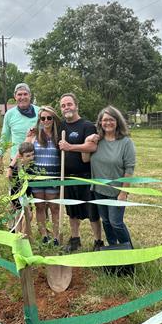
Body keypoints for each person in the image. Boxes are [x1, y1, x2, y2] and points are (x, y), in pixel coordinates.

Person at [58, 93, 102, 252]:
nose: (66, 108)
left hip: (86, 176)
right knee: (72, 212)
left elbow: (92, 147)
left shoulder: (87, 126)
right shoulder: (61, 126)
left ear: (76, 105)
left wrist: (70, 147)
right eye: (63, 106)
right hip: (68, 177)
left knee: (92, 212)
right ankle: (75, 239)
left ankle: (98, 242)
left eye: (69, 104)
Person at [88, 106, 136, 247]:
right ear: (100, 123)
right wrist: (88, 140)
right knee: (106, 222)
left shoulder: (126, 142)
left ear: (117, 121)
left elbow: (129, 168)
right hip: (99, 190)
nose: (108, 123)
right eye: (105, 120)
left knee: (116, 222)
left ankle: (128, 250)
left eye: (111, 119)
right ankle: (113, 249)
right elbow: (85, 158)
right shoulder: (97, 141)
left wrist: (124, 192)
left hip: (117, 191)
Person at [25, 106, 61, 244]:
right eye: (43, 118)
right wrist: (28, 137)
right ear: (39, 120)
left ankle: (57, 236)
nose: (46, 121)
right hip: (37, 178)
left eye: (49, 118)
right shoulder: (35, 136)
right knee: (40, 207)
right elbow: (24, 152)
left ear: (53, 119)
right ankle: (44, 235)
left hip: (53, 177)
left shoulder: (59, 136)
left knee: (54, 207)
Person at [0, 83, 39, 175]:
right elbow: (5, 137)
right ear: (15, 96)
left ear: (30, 95)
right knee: (16, 189)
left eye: (25, 94)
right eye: (19, 94)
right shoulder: (10, 114)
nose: (22, 97)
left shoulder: (40, 112)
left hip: (36, 159)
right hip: (16, 161)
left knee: (35, 189)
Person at [10, 142, 35, 232]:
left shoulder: (32, 167)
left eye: (32, 154)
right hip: (18, 195)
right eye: (28, 156)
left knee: (24, 216)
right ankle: (21, 237)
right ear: (21, 157)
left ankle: (21, 237)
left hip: (27, 196)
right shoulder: (18, 169)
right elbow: (13, 186)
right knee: (25, 215)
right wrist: (13, 200)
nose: (31, 157)